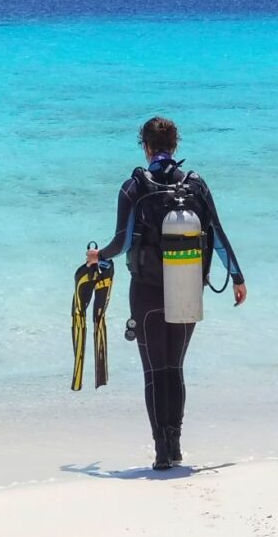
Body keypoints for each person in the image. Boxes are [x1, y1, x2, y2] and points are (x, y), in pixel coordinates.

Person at [87, 116, 246, 471]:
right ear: (176, 146)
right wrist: (237, 276)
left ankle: (161, 449)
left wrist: (99, 257)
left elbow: (122, 242)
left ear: (145, 146)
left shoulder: (134, 187)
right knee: (175, 367)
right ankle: (175, 444)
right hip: (187, 285)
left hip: (145, 291)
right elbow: (218, 235)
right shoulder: (196, 184)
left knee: (154, 370)